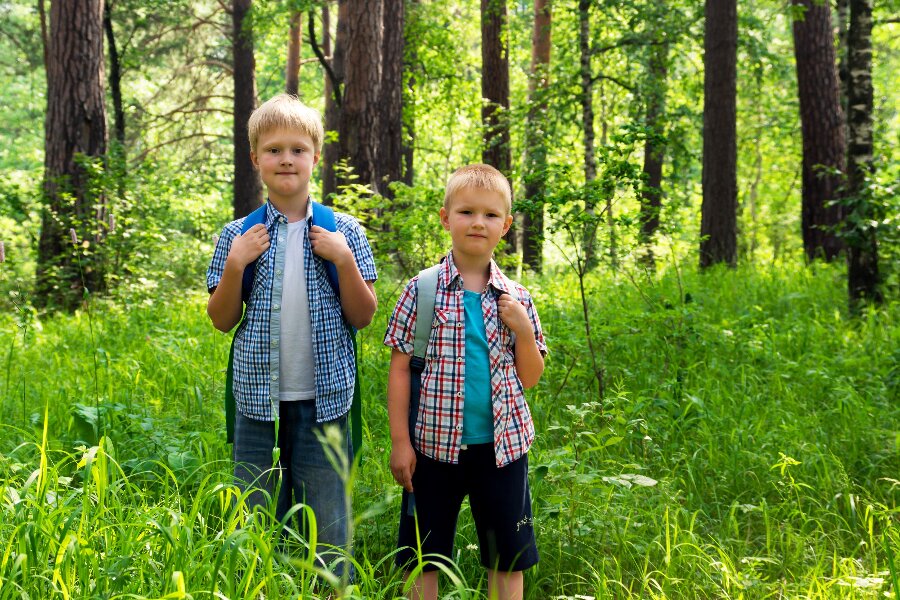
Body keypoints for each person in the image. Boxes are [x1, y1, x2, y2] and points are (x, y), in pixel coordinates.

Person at [206, 94, 377, 565]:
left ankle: (332, 590)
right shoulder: (237, 235)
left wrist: (344, 259)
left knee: (328, 516)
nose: (286, 159)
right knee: (253, 510)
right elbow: (221, 320)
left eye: (298, 149)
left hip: (326, 397)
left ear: (315, 157)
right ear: (255, 158)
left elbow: (363, 316)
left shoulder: (344, 230)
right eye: (274, 149)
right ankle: (256, 584)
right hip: (256, 398)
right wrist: (236, 265)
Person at [383, 164, 547, 600]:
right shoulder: (421, 290)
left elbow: (530, 378)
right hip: (432, 448)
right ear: (445, 218)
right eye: (467, 212)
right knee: (423, 554)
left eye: (491, 215)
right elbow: (399, 370)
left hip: (504, 450)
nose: (478, 222)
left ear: (506, 226)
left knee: (507, 556)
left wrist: (523, 331)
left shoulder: (517, 298)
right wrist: (400, 442)